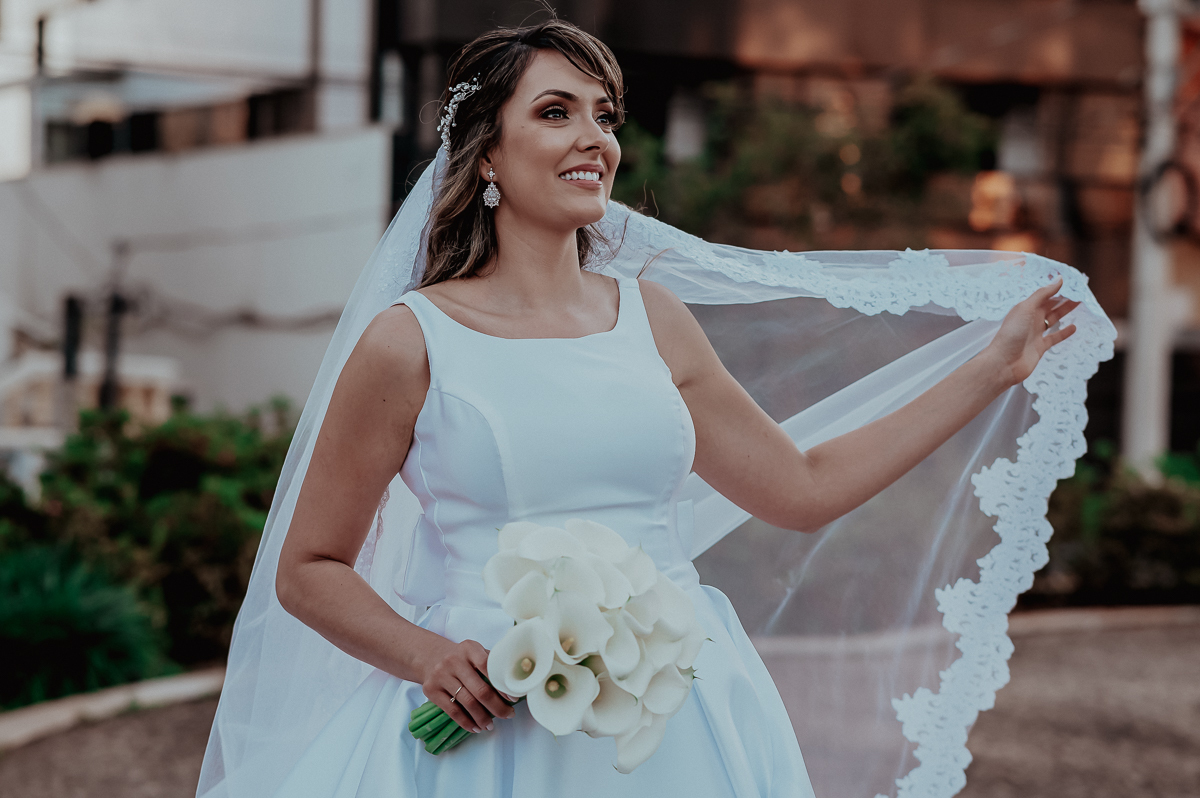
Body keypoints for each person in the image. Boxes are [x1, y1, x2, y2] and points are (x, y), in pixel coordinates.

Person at [197, 18, 1114, 798]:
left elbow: (802, 486)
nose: (592, 136)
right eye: (555, 113)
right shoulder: (411, 340)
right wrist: (424, 657)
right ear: (486, 154)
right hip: (486, 735)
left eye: (605, 116)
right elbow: (310, 566)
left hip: (680, 717)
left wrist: (993, 369)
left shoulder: (655, 320)